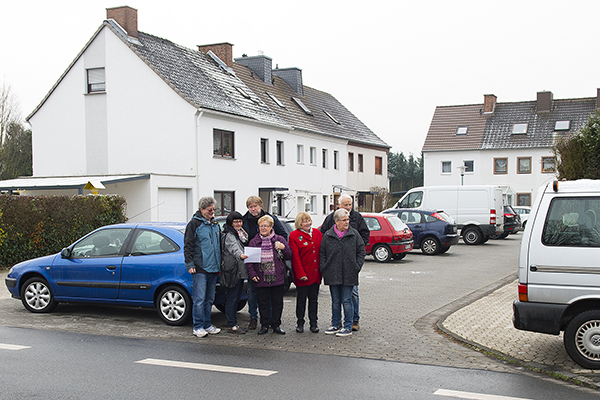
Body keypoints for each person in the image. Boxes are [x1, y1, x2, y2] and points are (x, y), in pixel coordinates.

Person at [320, 193, 369, 331]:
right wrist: (324, 267)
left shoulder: (357, 220)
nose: (348, 207)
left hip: (350, 269)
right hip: (333, 270)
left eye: (350, 204)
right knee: (336, 300)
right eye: (346, 205)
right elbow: (322, 247)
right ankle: (336, 323)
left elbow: (362, 245)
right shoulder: (330, 221)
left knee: (350, 297)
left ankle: (353, 321)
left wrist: (356, 264)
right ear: (339, 205)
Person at [242, 195, 288, 330]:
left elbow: (283, 236)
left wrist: (280, 246)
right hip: (254, 261)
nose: (253, 209)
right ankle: (254, 318)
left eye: (255, 206)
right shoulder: (245, 220)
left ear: (261, 206)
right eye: (250, 207)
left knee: (273, 298)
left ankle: (273, 322)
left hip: (273, 264)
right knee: (253, 294)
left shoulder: (271, 218)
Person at [184, 196, 222, 338]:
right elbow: (188, 245)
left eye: (214, 209)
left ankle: (207, 324)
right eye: (209, 210)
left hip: (213, 268)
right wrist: (190, 264)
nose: (212, 212)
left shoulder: (215, 224)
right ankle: (198, 326)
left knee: (209, 299)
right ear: (201, 209)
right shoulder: (194, 224)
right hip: (200, 268)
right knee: (199, 299)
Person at [289, 212, 322, 333]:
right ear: (299, 223)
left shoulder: (317, 233)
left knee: (314, 300)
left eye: (309, 220)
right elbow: (295, 257)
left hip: (315, 274)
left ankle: (314, 323)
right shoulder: (294, 235)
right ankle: (300, 322)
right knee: (301, 300)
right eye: (305, 221)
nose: (308, 223)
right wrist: (301, 274)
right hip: (303, 275)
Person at [220, 211, 249, 334]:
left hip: (240, 271)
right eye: (235, 221)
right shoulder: (229, 235)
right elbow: (234, 248)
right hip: (232, 271)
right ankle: (232, 325)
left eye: (240, 221)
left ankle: (234, 323)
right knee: (232, 298)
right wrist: (241, 255)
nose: (238, 223)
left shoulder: (241, 233)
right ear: (230, 223)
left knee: (236, 298)